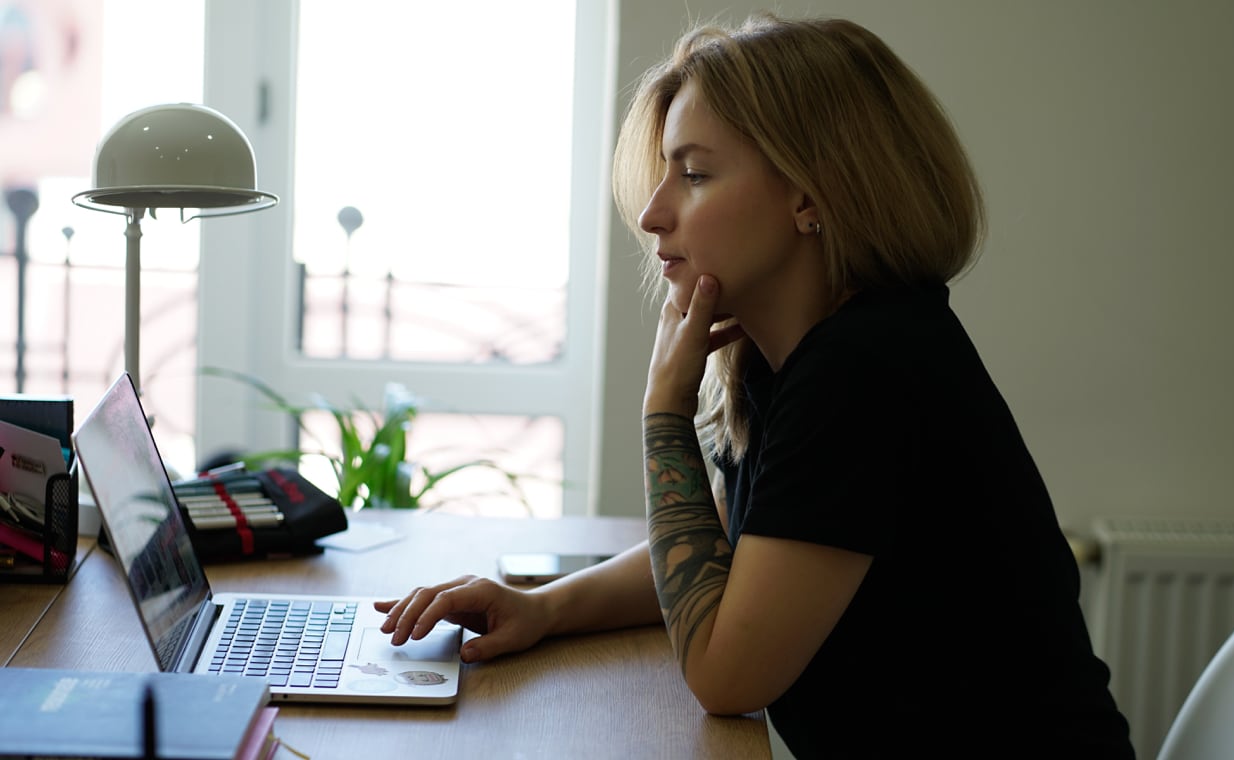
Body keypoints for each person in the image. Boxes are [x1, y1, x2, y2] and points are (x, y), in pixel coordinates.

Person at [377, 13, 1134, 758]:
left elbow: (723, 674)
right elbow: (739, 544)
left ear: (810, 197)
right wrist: (541, 610)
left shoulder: (867, 367)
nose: (652, 213)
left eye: (695, 173)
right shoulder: (801, 356)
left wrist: (665, 412)